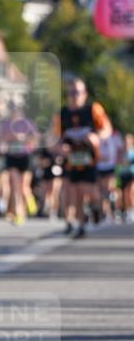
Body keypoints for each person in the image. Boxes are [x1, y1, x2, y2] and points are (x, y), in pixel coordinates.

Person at [52, 78, 111, 239]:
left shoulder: (93, 109)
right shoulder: (62, 114)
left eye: (77, 92)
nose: (74, 96)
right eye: (71, 92)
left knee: (90, 191)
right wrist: (60, 148)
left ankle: (96, 207)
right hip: (72, 159)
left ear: (84, 94)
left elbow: (106, 129)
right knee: (75, 192)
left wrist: (95, 137)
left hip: (89, 158)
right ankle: (80, 225)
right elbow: (54, 138)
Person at [0, 101, 39, 226]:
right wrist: (10, 138)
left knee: (24, 187)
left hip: (25, 156)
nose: (14, 112)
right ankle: (19, 213)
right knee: (15, 187)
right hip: (12, 157)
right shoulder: (6, 124)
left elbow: (35, 138)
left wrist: (24, 138)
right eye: (12, 110)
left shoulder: (27, 123)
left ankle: (30, 203)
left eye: (16, 109)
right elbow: (1, 139)